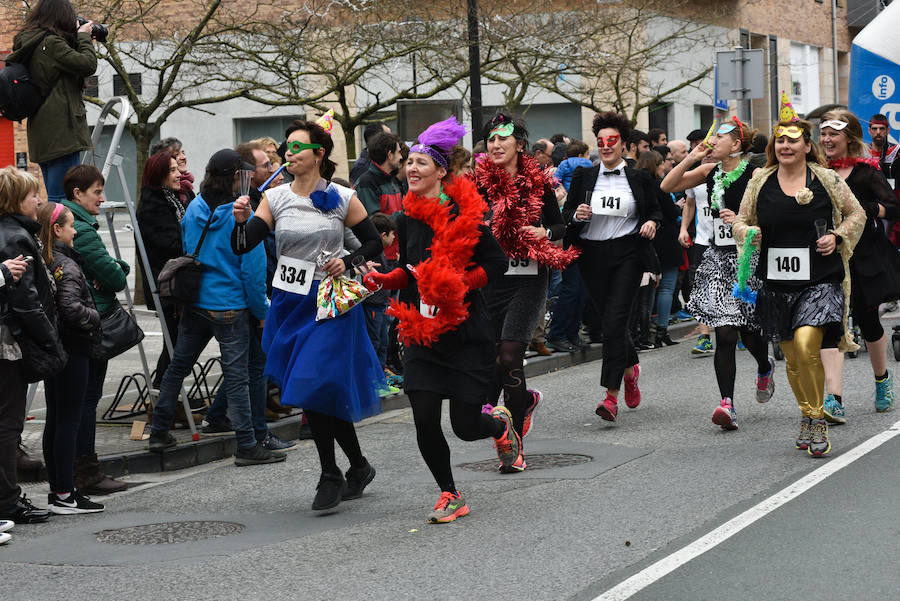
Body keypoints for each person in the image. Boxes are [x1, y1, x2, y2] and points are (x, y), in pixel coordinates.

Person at [362, 117, 516, 522]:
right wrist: (385, 279)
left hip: (465, 334)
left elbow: (496, 263)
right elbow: (410, 271)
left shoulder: (464, 216)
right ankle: (450, 493)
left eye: (421, 163)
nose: (411, 169)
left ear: (441, 172)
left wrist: (460, 282)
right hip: (422, 334)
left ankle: (498, 426)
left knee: (465, 426)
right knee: (425, 417)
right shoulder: (405, 219)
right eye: (409, 162)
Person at [232, 119, 384, 511]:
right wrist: (240, 221)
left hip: (330, 303)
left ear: (318, 154)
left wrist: (347, 261)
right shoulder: (274, 197)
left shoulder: (342, 196)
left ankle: (330, 473)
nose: (289, 153)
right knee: (318, 391)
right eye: (287, 147)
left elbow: (373, 243)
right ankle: (358, 466)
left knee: (314, 381)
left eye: (297, 147)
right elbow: (244, 245)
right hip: (290, 302)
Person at [733, 115, 866, 457]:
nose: (785, 145)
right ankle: (807, 415)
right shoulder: (760, 181)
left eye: (793, 140)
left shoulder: (826, 179)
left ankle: (817, 419)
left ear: (808, 146)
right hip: (777, 284)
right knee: (792, 359)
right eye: (780, 140)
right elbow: (740, 222)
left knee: (808, 344)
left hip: (821, 279)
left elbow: (857, 214)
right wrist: (748, 233)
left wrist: (837, 236)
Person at [148, 150, 284, 466]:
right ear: (235, 177)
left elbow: (188, 247)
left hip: (196, 300)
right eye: (242, 174)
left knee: (177, 367)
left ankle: (158, 431)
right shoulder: (241, 214)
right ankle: (247, 444)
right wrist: (262, 312)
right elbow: (252, 272)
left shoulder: (195, 206)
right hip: (230, 305)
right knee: (238, 376)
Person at [474, 112, 579, 466]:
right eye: (491, 139)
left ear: (520, 144)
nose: (495, 144)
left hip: (529, 277)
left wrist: (543, 232)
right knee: (493, 356)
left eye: (502, 138)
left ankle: (514, 443)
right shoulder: (479, 184)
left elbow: (559, 226)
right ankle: (524, 403)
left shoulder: (538, 183)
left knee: (510, 355)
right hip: (492, 279)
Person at [661, 118, 775, 431]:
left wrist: (742, 220)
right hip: (718, 258)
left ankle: (764, 365)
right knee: (724, 333)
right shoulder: (709, 171)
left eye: (719, 138)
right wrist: (692, 156)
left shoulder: (755, 173)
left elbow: (772, 212)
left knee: (749, 332)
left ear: (736, 144)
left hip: (748, 259)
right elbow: (667, 186)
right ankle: (727, 404)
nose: (711, 142)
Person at [563, 111, 662, 422]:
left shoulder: (639, 178)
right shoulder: (584, 176)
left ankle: (610, 396)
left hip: (627, 255)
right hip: (591, 255)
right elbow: (567, 214)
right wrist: (576, 215)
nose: (605, 146)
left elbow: (657, 211)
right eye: (601, 141)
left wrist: (651, 223)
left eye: (612, 141)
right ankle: (630, 371)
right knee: (610, 322)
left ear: (624, 145)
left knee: (615, 322)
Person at [818, 109, 900, 420]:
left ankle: (882, 380)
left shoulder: (866, 172)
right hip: (827, 256)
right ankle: (834, 397)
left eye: (833, 134)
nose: (826, 139)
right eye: (823, 134)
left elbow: (893, 208)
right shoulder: (816, 172)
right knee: (830, 325)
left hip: (863, 256)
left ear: (849, 138)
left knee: (868, 323)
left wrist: (864, 209)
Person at [61, 165, 130, 494]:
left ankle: (75, 472)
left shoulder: (68, 221)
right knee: (88, 399)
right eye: (97, 192)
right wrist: (116, 269)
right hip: (91, 323)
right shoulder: (83, 230)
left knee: (75, 402)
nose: (102, 199)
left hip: (76, 323)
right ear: (78, 194)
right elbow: (115, 278)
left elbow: (112, 269)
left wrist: (115, 267)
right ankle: (86, 471)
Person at [36, 202, 104, 514]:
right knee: (68, 421)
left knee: (56, 419)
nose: (75, 231)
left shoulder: (45, 260)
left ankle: (59, 490)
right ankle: (65, 494)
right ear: (56, 229)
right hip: (73, 349)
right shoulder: (66, 264)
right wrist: (96, 316)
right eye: (71, 225)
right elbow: (70, 309)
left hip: (55, 348)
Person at [0, 166, 54, 524]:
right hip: (8, 345)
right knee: (8, 425)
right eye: (33, 194)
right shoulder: (16, 237)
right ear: (16, 200)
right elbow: (26, 302)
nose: (39, 200)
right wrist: (51, 341)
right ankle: (7, 501)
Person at [8, 0, 97, 201]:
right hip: (61, 132)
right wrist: (84, 36)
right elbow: (88, 64)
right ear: (61, 17)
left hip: (42, 132)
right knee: (63, 202)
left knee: (56, 198)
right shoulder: (51, 44)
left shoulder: (31, 43)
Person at [136, 151, 183, 391]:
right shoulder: (152, 206)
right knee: (175, 344)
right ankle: (164, 395)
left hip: (175, 282)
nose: (179, 174)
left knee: (177, 343)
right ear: (158, 175)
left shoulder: (172, 198)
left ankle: (166, 395)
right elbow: (169, 246)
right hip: (165, 286)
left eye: (178, 168)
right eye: (172, 170)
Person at [637, 150, 681, 347]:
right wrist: (678, 206)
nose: (664, 166)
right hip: (666, 240)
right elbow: (671, 212)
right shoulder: (660, 186)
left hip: (646, 239)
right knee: (666, 287)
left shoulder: (636, 184)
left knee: (648, 288)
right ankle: (662, 329)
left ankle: (645, 331)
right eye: (662, 163)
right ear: (655, 165)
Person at [363, 213, 397, 372]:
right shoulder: (372, 253)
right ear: (383, 235)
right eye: (392, 234)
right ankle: (371, 377)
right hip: (373, 305)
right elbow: (379, 276)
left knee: (383, 341)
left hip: (382, 304)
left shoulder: (380, 251)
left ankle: (381, 375)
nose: (394, 238)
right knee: (374, 341)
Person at [150, 137, 195, 205]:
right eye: (177, 154)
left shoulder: (186, 187)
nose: (184, 157)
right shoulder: (157, 197)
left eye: (183, 153)